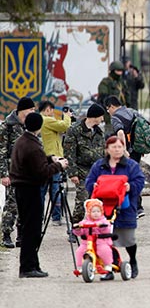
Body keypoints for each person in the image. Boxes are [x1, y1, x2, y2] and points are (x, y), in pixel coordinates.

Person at [10, 112, 68, 278]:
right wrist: (59, 166)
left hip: (22, 189)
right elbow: (41, 173)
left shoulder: (23, 140)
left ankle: (32, 265)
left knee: (30, 227)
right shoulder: (33, 146)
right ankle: (28, 267)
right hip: (30, 190)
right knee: (32, 229)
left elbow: (35, 164)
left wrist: (49, 158)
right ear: (39, 126)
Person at [86, 136, 145, 278]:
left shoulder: (131, 165)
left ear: (123, 149)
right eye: (113, 147)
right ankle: (109, 267)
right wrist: (92, 186)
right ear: (107, 150)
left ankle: (133, 260)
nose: (117, 150)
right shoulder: (99, 166)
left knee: (128, 238)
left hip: (124, 207)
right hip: (102, 209)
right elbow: (89, 180)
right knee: (105, 240)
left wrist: (130, 186)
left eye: (119, 147)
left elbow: (140, 180)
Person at [63, 103, 106, 237]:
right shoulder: (75, 130)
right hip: (81, 170)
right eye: (101, 117)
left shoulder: (99, 132)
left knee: (98, 202)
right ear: (95, 117)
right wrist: (72, 173)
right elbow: (69, 153)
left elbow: (103, 152)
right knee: (82, 200)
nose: (102, 120)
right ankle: (75, 227)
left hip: (97, 171)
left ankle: (95, 227)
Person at [0, 97, 36, 248]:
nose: (33, 112)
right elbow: (1, 152)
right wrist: (3, 174)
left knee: (27, 203)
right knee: (13, 203)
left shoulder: (30, 127)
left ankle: (22, 235)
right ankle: (6, 234)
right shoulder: (7, 126)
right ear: (22, 110)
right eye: (31, 109)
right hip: (13, 169)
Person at [39, 100, 72, 226]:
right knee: (55, 189)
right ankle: (56, 217)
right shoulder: (47, 120)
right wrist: (67, 117)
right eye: (51, 111)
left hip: (44, 159)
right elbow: (65, 126)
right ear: (47, 109)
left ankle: (40, 216)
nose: (53, 114)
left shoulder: (42, 121)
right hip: (54, 160)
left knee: (42, 190)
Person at [73, 199, 114, 281]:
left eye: (98, 211)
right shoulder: (85, 222)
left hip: (101, 241)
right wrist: (77, 228)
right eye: (93, 211)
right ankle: (80, 267)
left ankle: (108, 265)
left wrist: (102, 226)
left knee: (104, 250)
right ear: (88, 213)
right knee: (80, 251)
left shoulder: (103, 221)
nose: (96, 213)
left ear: (101, 212)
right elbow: (80, 232)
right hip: (87, 243)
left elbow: (107, 229)